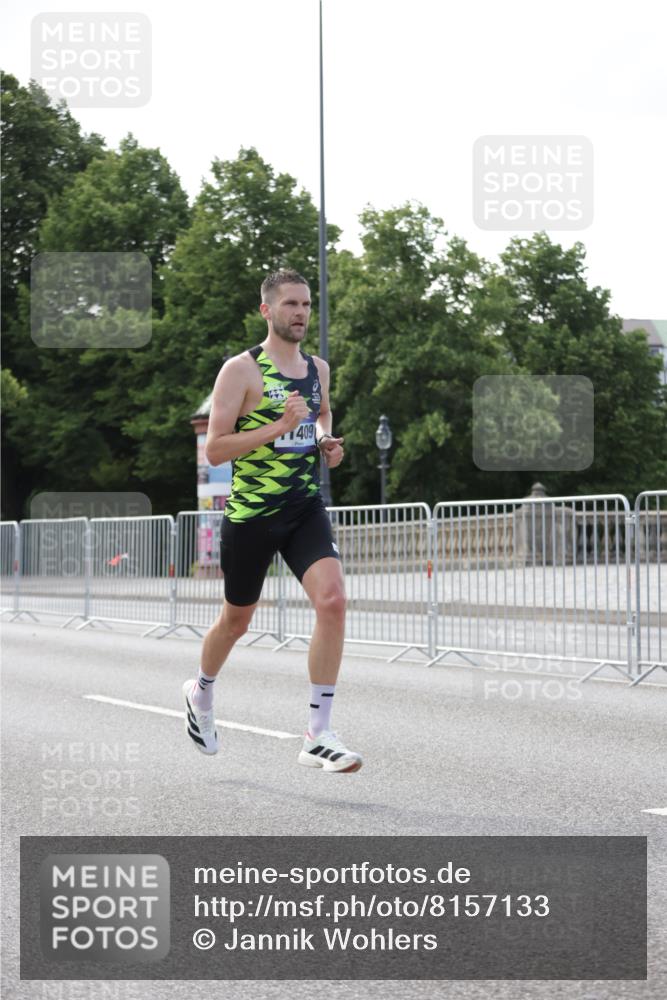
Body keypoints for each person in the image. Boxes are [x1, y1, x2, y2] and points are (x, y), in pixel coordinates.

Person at [182, 269, 362, 773]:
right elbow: (216, 449)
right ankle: (200, 692)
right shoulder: (241, 371)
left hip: (303, 506)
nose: (301, 312)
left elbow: (321, 415)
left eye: (306, 304)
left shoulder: (318, 369)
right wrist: (279, 426)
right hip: (252, 514)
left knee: (333, 601)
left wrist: (325, 441)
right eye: (290, 304)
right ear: (267, 310)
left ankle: (318, 734)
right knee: (236, 621)